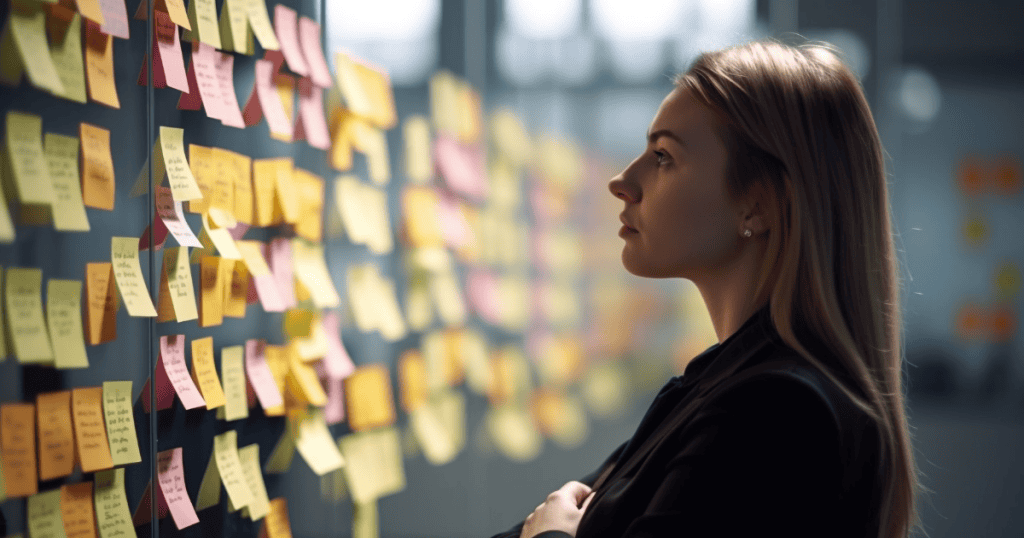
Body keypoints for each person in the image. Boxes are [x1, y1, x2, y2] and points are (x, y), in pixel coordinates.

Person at [489, 39, 927, 538]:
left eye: (662, 156)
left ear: (758, 205)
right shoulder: (719, 384)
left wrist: (549, 535)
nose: (622, 180)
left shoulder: (772, 414)